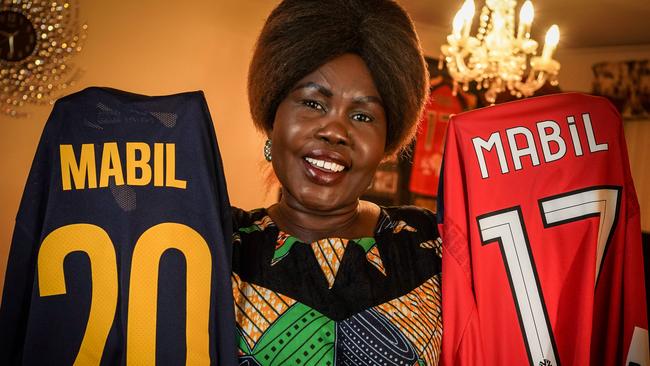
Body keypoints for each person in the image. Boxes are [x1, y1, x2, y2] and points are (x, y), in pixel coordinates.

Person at [231, 0, 442, 364]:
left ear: (386, 146)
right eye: (313, 104)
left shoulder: (432, 243)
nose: (334, 131)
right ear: (272, 119)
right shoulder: (219, 244)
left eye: (362, 115)